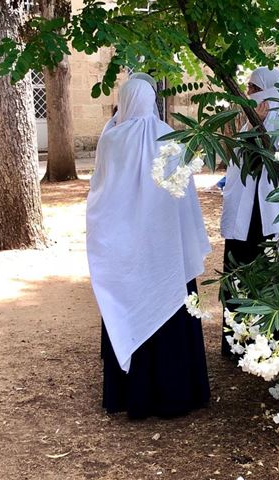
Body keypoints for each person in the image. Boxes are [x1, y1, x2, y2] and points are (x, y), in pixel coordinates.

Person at [86, 77, 211, 418]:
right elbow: (184, 198)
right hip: (166, 249)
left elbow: (101, 190)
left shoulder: (112, 139)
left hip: (127, 249)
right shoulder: (171, 138)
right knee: (172, 310)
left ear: (125, 99)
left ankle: (131, 394)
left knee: (130, 306)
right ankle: (177, 392)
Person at [220, 67, 279, 355]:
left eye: (252, 88)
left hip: (267, 217)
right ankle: (238, 344)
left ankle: (268, 346)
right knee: (238, 275)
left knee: (265, 277)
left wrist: (258, 128)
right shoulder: (253, 121)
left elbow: (270, 162)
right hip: (245, 217)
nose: (248, 94)